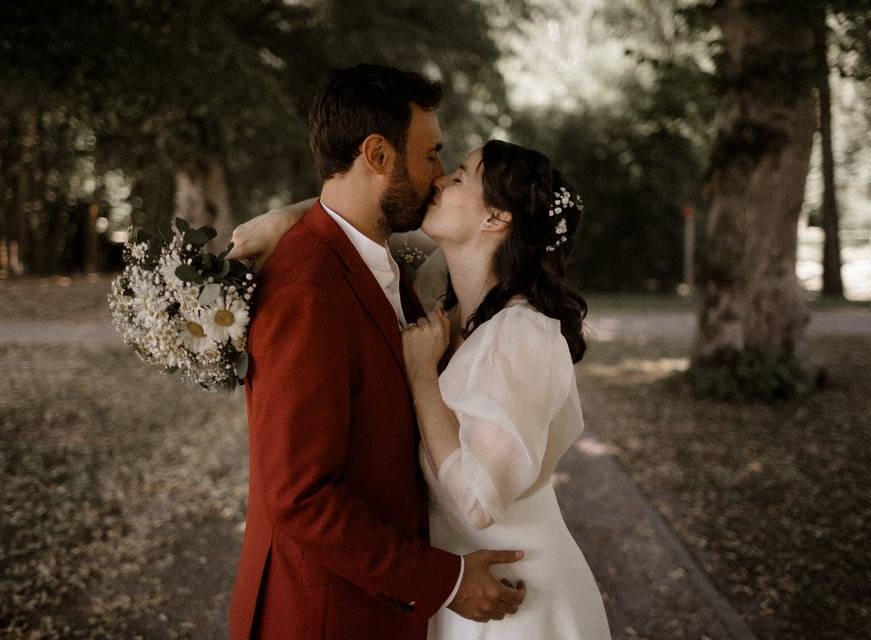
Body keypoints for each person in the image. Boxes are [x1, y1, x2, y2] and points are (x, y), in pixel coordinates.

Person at [231, 135, 612, 638]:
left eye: (459, 176)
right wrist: (287, 216)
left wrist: (422, 379)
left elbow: (477, 502)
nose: (439, 181)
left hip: (513, 596)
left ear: (496, 218)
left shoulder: (523, 336)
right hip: (449, 599)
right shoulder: (437, 300)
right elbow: (358, 216)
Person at [228, 64, 527, 640]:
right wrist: (444, 581)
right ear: (378, 155)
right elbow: (299, 495)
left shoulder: (368, 256)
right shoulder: (306, 289)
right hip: (323, 617)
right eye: (432, 154)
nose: (440, 176)